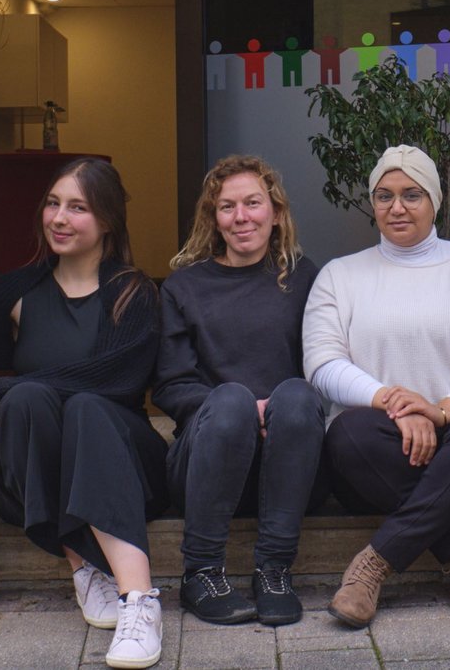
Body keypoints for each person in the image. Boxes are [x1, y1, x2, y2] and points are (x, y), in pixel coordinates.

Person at [303, 145, 450, 628]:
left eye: (412, 194)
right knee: (347, 434)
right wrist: (392, 403)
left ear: (435, 201)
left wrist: (444, 409)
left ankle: (374, 564)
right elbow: (322, 362)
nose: (397, 207)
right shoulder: (339, 276)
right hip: (385, 457)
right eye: (384, 195)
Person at [0, 158, 168, 669]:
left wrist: (5, 388)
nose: (59, 218)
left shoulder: (134, 293)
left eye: (77, 208)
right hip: (35, 470)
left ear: (107, 220)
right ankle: (85, 564)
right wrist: (9, 393)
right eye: (53, 204)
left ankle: (139, 600)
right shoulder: (11, 294)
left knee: (86, 405)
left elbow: (117, 381)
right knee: (24, 401)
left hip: (123, 463)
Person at [152, 155, 324, 627]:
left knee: (298, 394)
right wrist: (247, 409)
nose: (241, 217)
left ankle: (274, 571)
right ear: (213, 218)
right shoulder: (183, 288)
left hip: (286, 468)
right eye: (227, 207)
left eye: (253, 203)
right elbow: (170, 385)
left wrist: (272, 411)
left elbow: (325, 365)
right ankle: (201, 573)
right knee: (230, 400)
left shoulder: (303, 278)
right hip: (205, 466)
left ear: (276, 212)